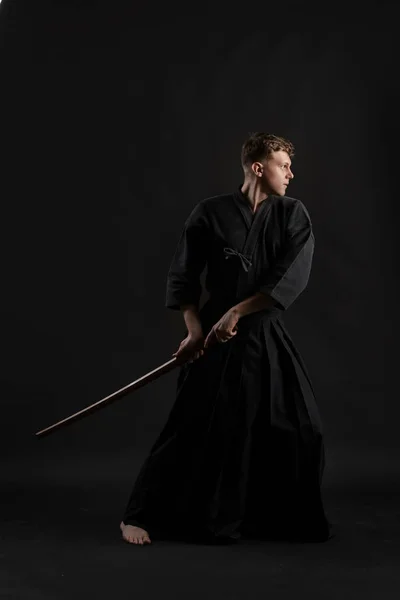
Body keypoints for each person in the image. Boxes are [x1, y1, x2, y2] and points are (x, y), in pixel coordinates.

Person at [120, 132, 332, 545]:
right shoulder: (209, 213)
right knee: (191, 426)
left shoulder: (293, 214)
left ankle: (266, 518)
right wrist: (195, 330)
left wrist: (238, 311)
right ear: (258, 167)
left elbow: (289, 277)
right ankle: (139, 515)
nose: (291, 173)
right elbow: (183, 276)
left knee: (301, 428)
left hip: (263, 333)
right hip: (214, 340)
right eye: (282, 165)